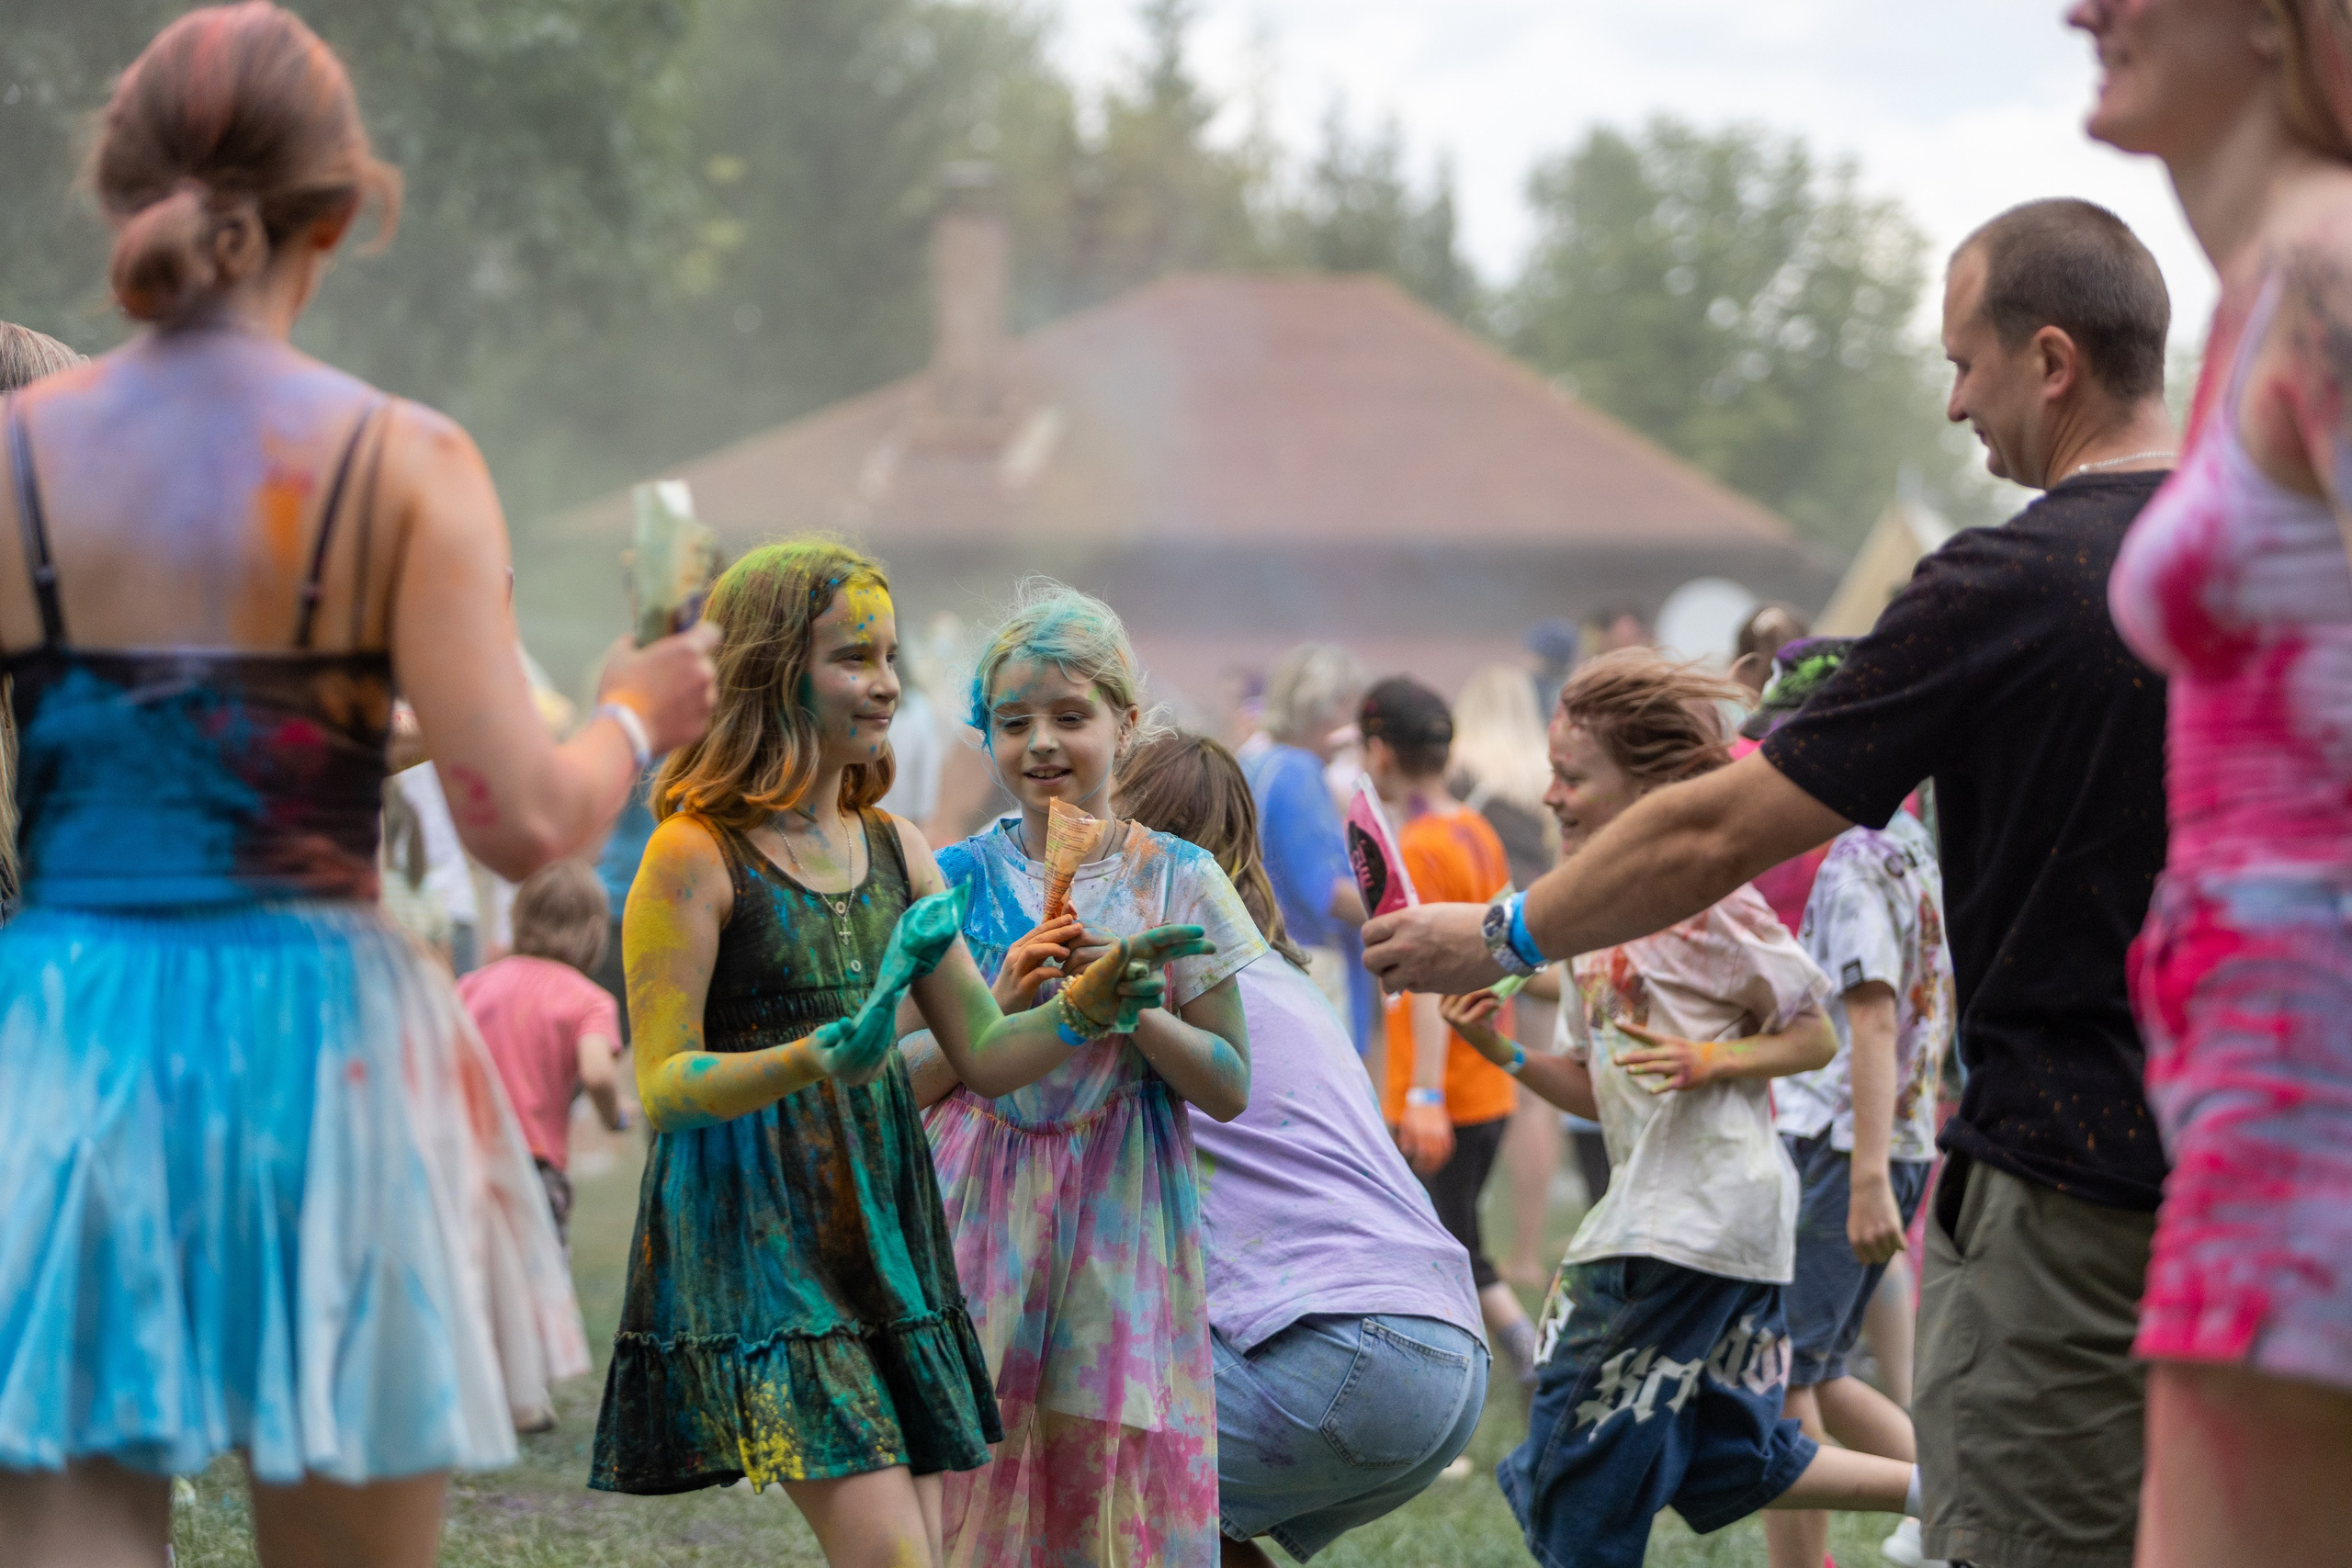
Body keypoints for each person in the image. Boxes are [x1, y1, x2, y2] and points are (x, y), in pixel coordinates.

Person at [0, 7, 721, 1562]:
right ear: (343, 210)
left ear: (121, 188)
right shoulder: (401, 462)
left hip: (58, 1037)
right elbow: (519, 819)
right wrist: (632, 711)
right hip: (320, 1048)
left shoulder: (16, 457)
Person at [1365, 195, 2177, 1568]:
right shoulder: (2294, 558)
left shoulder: (2013, 578)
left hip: (2070, 1191)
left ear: (2053, 360)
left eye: (1964, 362)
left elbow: (1712, 831)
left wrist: (1499, 931)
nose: (1951, 403)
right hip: (2273, 1179)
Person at [588, 544, 1208, 1568]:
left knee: (924, 1549)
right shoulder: (692, 853)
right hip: (759, 1246)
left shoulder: (899, 850)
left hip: (884, 1241)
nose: (884, 682)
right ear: (770, 672)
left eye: (887, 655)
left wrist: (1087, 1010)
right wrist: (814, 1060)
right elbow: (663, 1088)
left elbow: (990, 1054)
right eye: (850, 658)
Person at [1437, 649, 1916, 1568]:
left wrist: (1713, 1057)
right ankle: (1956, 1499)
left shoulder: (1707, 908)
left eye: (1573, 777)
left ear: (1651, 788)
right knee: (1725, 1459)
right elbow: (1596, 1083)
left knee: (1568, 1463)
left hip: (1694, 1217)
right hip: (1676, 1217)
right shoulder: (1580, 924)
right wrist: (1500, 1051)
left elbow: (1814, 1034)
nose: (1550, 796)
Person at [2081, 4, 2352, 1562]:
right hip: (2248, 1058)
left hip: (2314, 1067)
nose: (2078, 11)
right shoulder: (2260, 293)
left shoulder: (2328, 271)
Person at [900, 579, 1259, 1568]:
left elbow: (1229, 1084)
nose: (1042, 744)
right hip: (972, 1207)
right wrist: (1007, 1001)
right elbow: (895, 1078)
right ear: (985, 736)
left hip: (1117, 1210)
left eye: (1071, 716)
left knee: (1093, 1471)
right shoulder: (953, 877)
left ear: (1125, 722)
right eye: (1013, 723)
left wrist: (1130, 1004)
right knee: (964, 1459)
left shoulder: (1181, 877)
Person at [1114, 732, 1487, 1568]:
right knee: (1202, 1515)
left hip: (1347, 1350)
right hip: (1447, 1350)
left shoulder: (1162, 988)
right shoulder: (1280, 977)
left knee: (1083, 1458)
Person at [1738, 641, 1952, 1568]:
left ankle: (1868, 1543)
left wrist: (1865, 1174)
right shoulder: (1910, 844)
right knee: (1812, 1366)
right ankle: (1952, 1506)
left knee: (1779, 1369)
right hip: (1889, 1138)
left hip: (1844, 1144)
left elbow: (1869, 1022)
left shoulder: (1857, 860)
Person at [1361, 675, 1538, 1391]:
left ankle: (1523, 1360)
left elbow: (1431, 975)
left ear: (1379, 752)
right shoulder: (1475, 826)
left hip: (1447, 1091)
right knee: (1455, 1238)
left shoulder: (1423, 843)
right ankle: (1506, 1362)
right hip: (1486, 1078)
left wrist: (1424, 1092)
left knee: (1452, 1245)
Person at [1451, 662, 1570, 1289]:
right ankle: (1523, 1250)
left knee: (1462, 1085)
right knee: (1534, 1100)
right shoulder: (1543, 770)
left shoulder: (1464, 767)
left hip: (1477, 939)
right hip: (1545, 940)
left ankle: (1459, 1226)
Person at [458, 859, 627, 1248]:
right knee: (540, 1290)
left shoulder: (473, 984)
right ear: (593, 931)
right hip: (534, 1167)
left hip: (467, 1160)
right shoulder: (590, 1000)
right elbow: (597, 1073)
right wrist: (614, 1115)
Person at [1238, 643, 1371, 1046]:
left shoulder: (1256, 761)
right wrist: (1407, 911)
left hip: (1261, 957)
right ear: (1325, 709)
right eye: (1350, 708)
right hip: (1309, 963)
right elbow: (1324, 892)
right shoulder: (1300, 771)